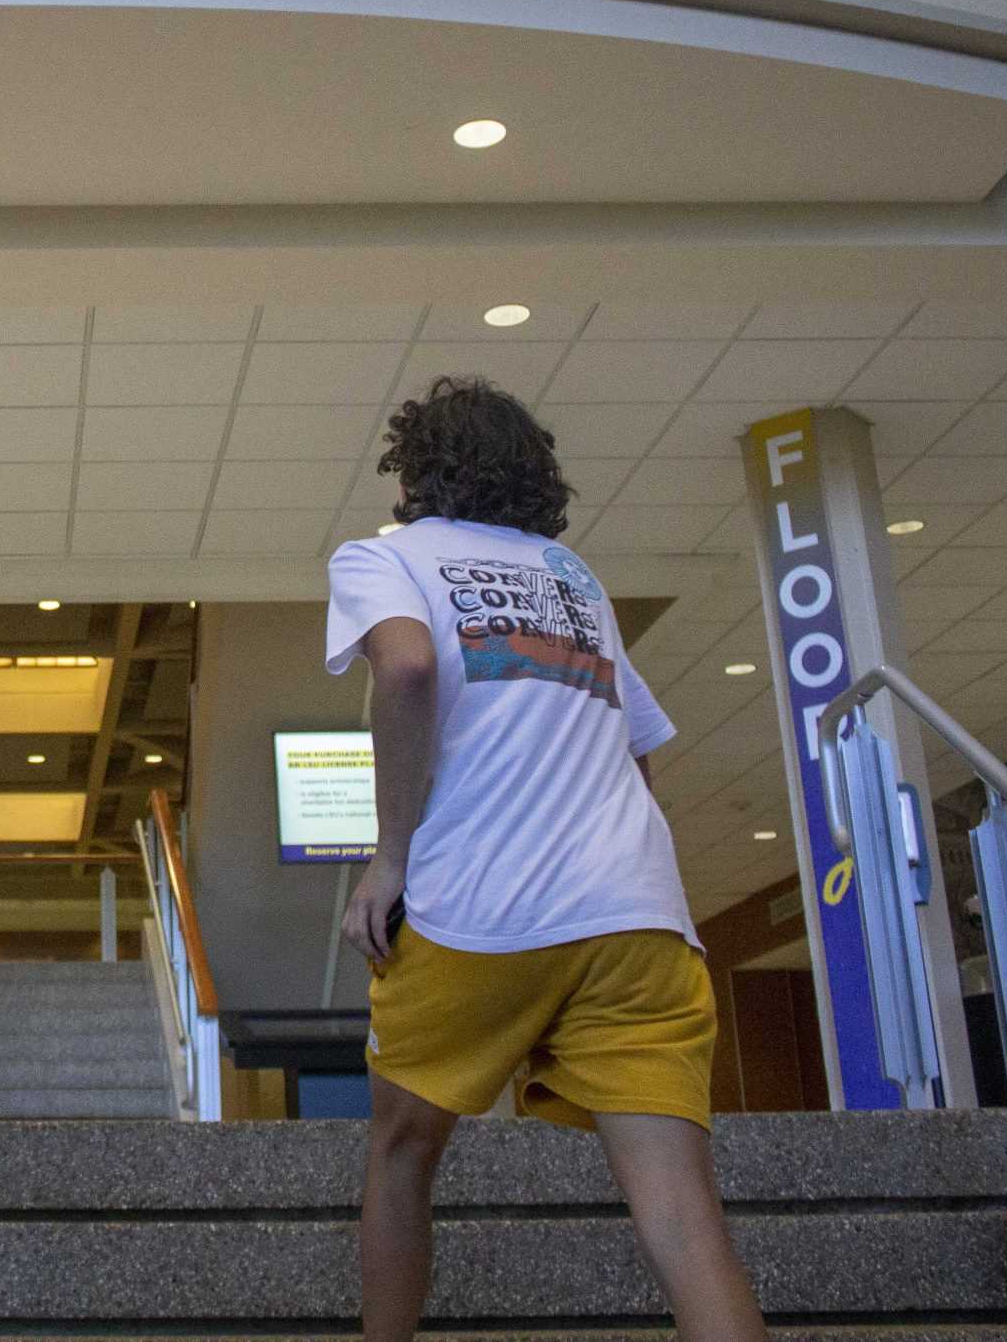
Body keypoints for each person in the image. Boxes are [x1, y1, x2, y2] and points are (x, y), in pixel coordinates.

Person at [326, 376, 766, 1342]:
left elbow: (405, 665)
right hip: (638, 919)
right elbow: (638, 748)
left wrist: (389, 857)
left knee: (402, 1152)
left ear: (415, 467)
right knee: (683, 1212)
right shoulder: (573, 580)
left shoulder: (385, 558)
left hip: (476, 910)